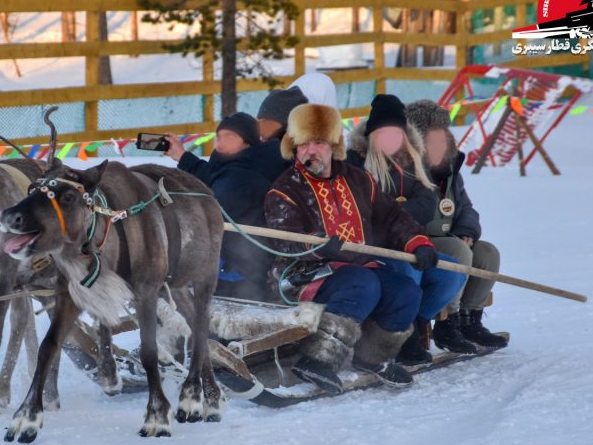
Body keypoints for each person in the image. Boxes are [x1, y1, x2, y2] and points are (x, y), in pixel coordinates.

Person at [264, 102, 440, 392]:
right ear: (294, 147)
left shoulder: (358, 179)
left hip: (358, 269)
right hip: (303, 273)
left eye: (319, 143)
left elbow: (392, 217)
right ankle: (318, 360)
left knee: (406, 291)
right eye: (304, 144)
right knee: (363, 283)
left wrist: (418, 242)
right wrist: (318, 245)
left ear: (333, 145)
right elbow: (283, 239)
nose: (311, 151)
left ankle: (373, 357)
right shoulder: (284, 190)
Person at [346, 94, 471, 365]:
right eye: (384, 132)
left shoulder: (413, 162)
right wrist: (392, 216)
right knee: (408, 270)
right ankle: (403, 338)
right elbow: (361, 208)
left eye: (396, 132)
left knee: (453, 273)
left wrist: (397, 216)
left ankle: (414, 323)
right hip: (372, 248)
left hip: (410, 241)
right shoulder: (355, 163)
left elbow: (427, 201)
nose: (391, 138)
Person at [406, 99, 508, 348]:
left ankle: (469, 319)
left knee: (487, 253)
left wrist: (466, 231)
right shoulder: (407, 171)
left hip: (452, 237)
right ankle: (447, 323)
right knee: (459, 252)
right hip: (421, 241)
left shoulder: (451, 170)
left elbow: (467, 209)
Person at [164, 113, 275, 301]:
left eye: (230, 137)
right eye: (219, 136)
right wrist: (182, 155)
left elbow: (213, 211)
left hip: (241, 270)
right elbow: (210, 174)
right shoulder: (233, 164)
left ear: (248, 142)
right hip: (225, 257)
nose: (221, 143)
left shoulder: (245, 177)